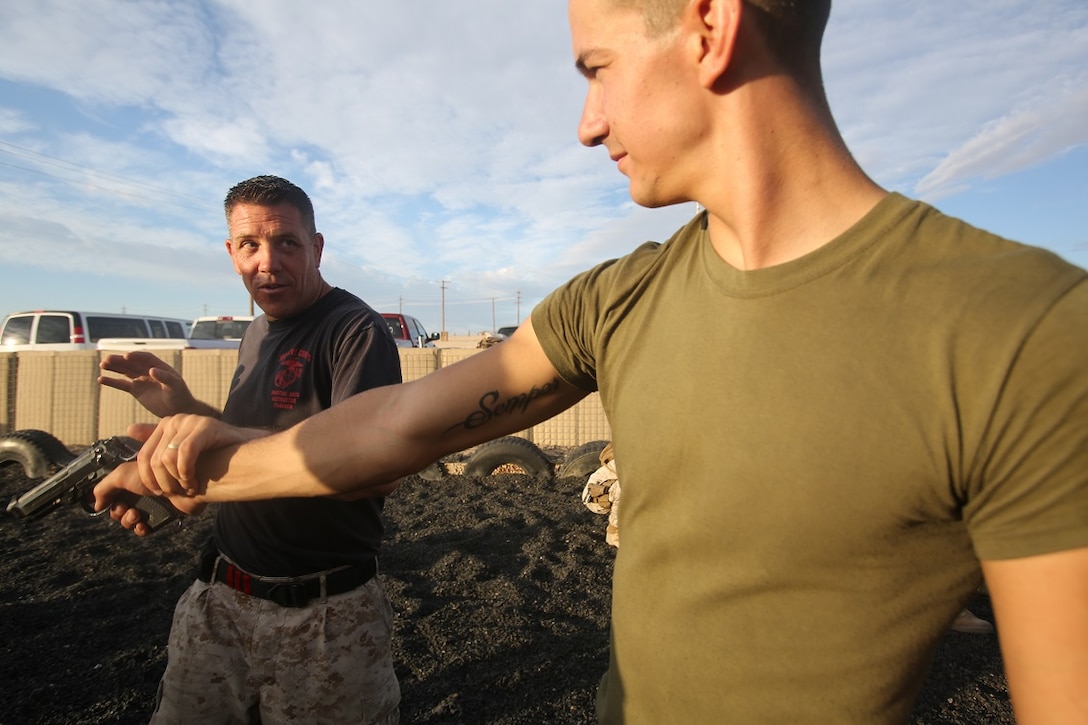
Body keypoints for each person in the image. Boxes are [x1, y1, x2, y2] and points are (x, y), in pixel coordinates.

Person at [97, 1, 1088, 722]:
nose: (585, 122)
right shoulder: (615, 301)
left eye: (596, 68)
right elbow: (396, 428)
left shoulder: (1020, 331)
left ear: (709, 26)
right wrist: (205, 457)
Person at [97, 175, 403, 723]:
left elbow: (375, 467)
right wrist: (184, 408)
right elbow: (248, 444)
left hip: (324, 615)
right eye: (249, 245)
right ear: (231, 251)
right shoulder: (257, 333)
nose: (267, 262)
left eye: (286, 242)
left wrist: (216, 440)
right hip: (219, 599)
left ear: (316, 246)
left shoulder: (354, 330)